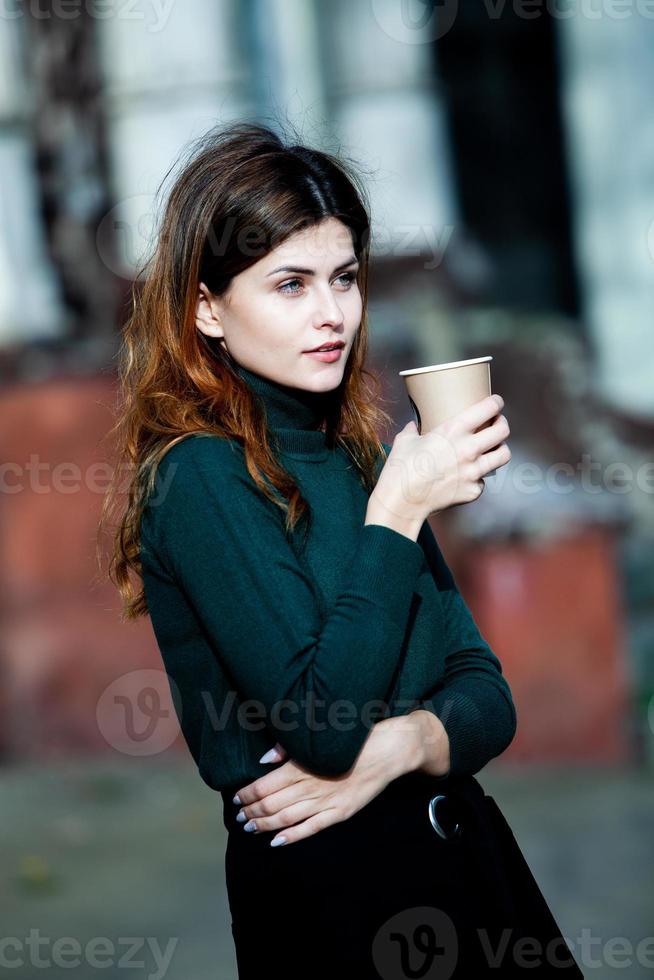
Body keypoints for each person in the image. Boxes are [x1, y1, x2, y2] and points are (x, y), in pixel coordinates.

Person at [98, 121, 583, 978]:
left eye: (345, 278)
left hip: (471, 875)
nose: (331, 315)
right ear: (206, 307)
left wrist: (400, 749)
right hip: (342, 907)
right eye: (290, 284)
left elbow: (486, 692)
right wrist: (397, 513)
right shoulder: (202, 477)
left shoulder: (358, 455)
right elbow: (319, 721)